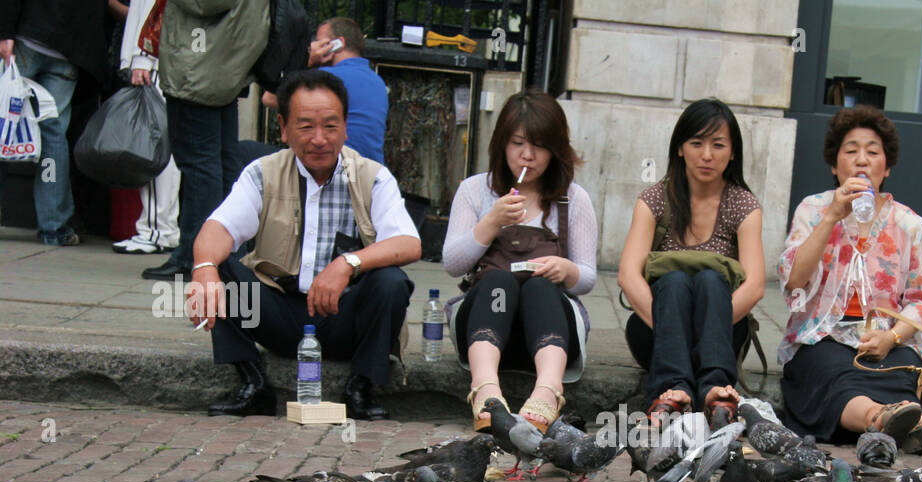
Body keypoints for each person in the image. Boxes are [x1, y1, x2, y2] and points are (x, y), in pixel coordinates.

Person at [186, 70, 421, 421]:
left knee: (391, 281)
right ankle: (252, 383)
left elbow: (408, 243)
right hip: (277, 312)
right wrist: (203, 268)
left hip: (343, 316)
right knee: (218, 269)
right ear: (283, 127)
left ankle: (361, 387)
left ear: (345, 127)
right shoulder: (262, 172)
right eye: (306, 126)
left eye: (330, 126)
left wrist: (348, 264)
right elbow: (219, 228)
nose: (319, 139)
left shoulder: (372, 176)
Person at [778, 105, 922, 452]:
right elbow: (794, 281)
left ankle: (898, 418)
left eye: (873, 152)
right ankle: (890, 420)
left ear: (887, 166)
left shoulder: (909, 223)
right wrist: (832, 216)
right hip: (823, 338)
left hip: (884, 342)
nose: (862, 160)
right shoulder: (813, 210)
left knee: (898, 370)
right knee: (832, 370)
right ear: (835, 165)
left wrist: (891, 337)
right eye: (851, 151)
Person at [443, 89, 596, 431]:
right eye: (517, 143)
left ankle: (549, 390)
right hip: (488, 328)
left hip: (548, 332)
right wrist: (491, 222)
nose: (527, 155)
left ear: (556, 149)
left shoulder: (573, 199)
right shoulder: (475, 191)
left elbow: (587, 278)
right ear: (502, 144)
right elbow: (452, 262)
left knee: (540, 288)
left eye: (539, 145)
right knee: (498, 281)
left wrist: (567, 270)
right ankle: (484, 389)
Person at [618, 98, 765, 429]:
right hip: (657, 328)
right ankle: (671, 391)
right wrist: (676, 328)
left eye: (718, 145)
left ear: (733, 152)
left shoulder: (744, 205)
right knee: (673, 282)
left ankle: (714, 390)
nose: (707, 155)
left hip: (722, 333)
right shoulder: (654, 200)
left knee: (713, 281)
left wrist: (705, 327)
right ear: (680, 148)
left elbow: (755, 286)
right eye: (696, 143)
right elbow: (628, 276)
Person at [141, 0, 268, 281]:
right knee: (220, 164)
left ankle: (195, 256)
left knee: (201, 167)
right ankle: (223, 253)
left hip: (200, 73)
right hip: (219, 70)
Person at [0, 2, 112, 246]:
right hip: (69, 49)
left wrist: (5, 32)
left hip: (27, 39)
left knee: (4, 124)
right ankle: (53, 226)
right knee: (53, 133)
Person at [260, 17, 387, 165]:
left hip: (332, 165)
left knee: (245, 150)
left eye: (320, 42)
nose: (315, 46)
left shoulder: (327, 79)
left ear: (337, 44)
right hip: (370, 170)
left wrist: (307, 60)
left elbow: (269, 98)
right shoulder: (378, 82)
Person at [112, 0, 180, 256]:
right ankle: (163, 229)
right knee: (167, 150)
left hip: (156, 60)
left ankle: (156, 230)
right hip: (165, 59)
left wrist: (143, 57)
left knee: (155, 148)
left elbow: (155, 9)